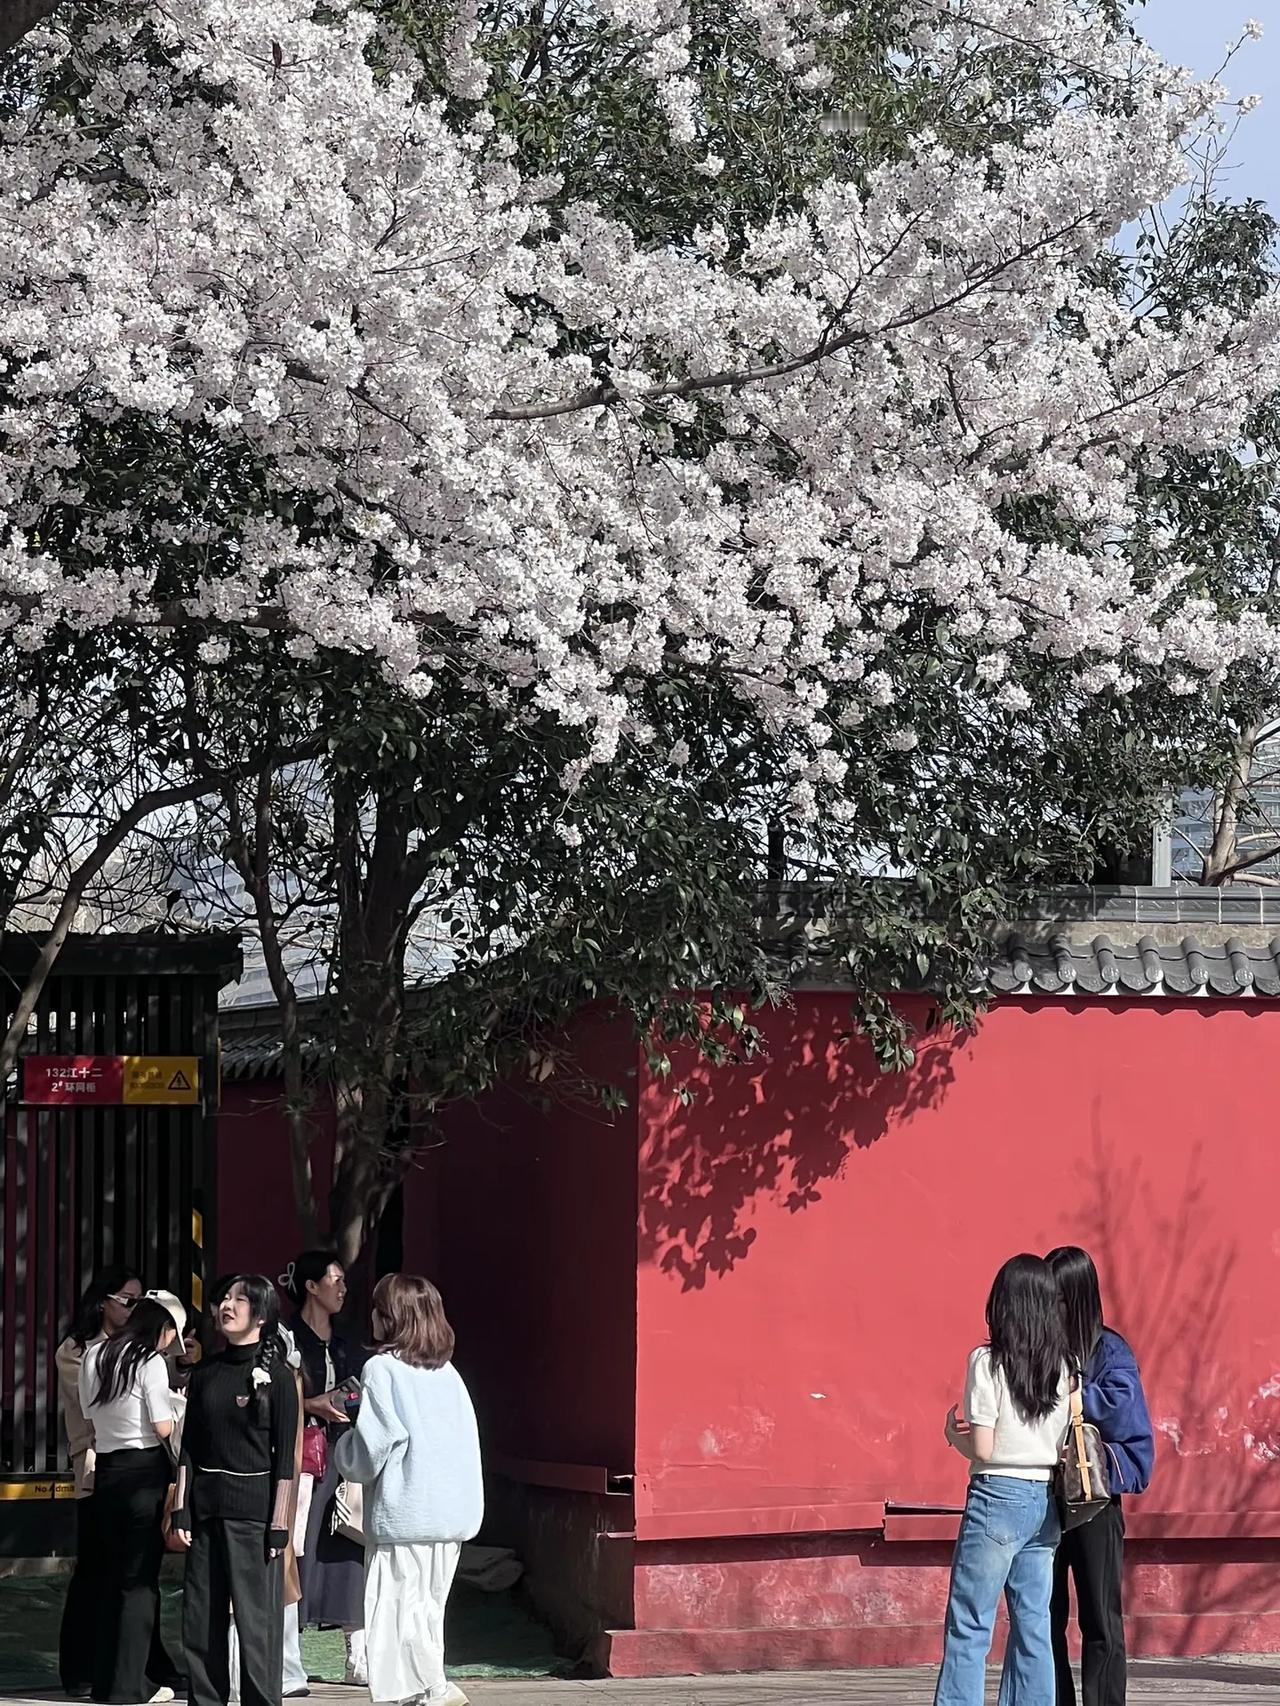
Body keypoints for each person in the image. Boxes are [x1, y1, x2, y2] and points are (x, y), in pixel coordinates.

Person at [335, 1273, 482, 1706]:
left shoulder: (382, 1369)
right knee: (427, 1609)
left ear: (389, 1318)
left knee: (395, 1610)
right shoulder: (448, 1373)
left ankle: (431, 1688)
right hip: (451, 1512)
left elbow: (373, 1446)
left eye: (378, 1309)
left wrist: (344, 1448)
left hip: (405, 1511)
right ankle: (432, 1687)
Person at [934, 1254, 1071, 1706]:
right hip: (1044, 1498)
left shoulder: (988, 1362)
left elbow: (985, 1448)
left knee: (970, 1621)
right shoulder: (1063, 1366)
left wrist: (953, 1438)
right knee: (1034, 1622)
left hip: (996, 1495)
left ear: (1004, 1303)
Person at [172, 1275, 299, 1706]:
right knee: (200, 1620)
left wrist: (279, 1526)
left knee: (257, 1625)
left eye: (239, 1300)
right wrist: (181, 1508)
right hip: (206, 1511)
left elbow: (286, 1460)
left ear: (260, 1315)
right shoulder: (206, 1373)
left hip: (254, 1517)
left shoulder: (278, 1378)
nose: (227, 1306)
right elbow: (189, 1447)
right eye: (225, 1299)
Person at [57, 1269, 184, 1700]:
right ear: (161, 1328)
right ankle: (131, 1685)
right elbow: (162, 1426)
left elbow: (90, 1414)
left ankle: (106, 1680)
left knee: (112, 1577)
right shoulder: (147, 1361)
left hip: (107, 1469)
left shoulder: (95, 1355)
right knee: (138, 1582)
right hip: (142, 1469)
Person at [1046, 1246, 1155, 1706]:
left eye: (1057, 1297)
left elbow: (1127, 1419)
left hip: (1095, 1503)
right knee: (1043, 1616)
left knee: (1100, 1619)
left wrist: (1073, 1396)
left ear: (1077, 1296)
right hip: (1042, 1500)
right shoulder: (1038, 1349)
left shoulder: (1110, 1351)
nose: (1050, 1307)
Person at [280, 1251, 366, 1685]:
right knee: (298, 1548)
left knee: (351, 1541)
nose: (343, 1288)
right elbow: (276, 1395)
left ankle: (358, 1653)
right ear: (311, 1286)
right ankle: (289, 1653)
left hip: (345, 1451)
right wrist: (312, 1404)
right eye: (335, 1280)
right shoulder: (286, 1339)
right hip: (303, 1454)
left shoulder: (349, 1341)